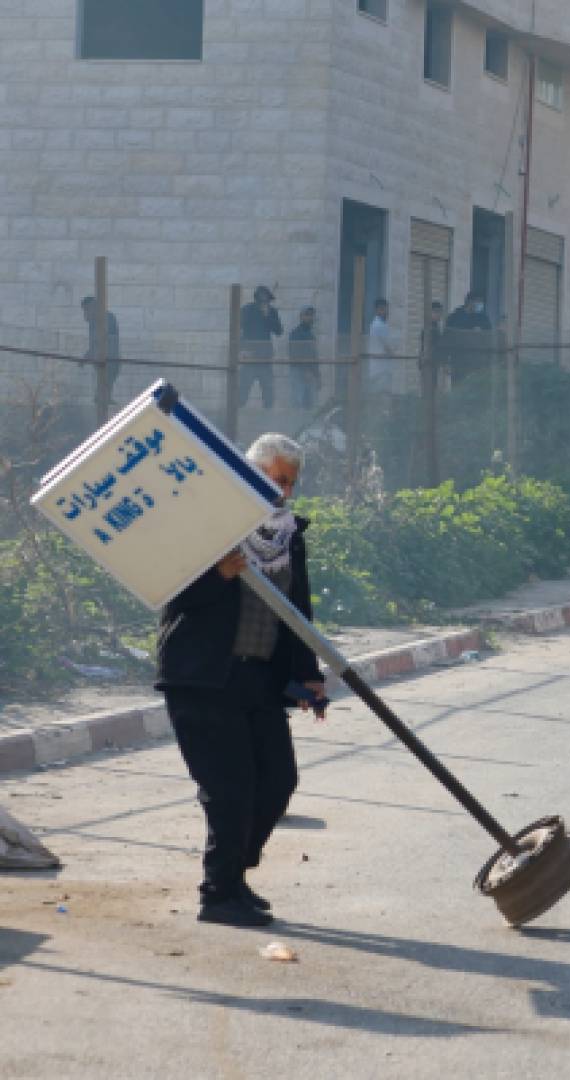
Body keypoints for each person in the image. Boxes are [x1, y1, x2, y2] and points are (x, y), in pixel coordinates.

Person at [155, 434, 326, 928]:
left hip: (259, 678)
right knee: (230, 790)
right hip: (203, 679)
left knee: (277, 780)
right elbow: (168, 591)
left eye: (289, 482)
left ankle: (234, 876)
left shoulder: (287, 536)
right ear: (248, 476)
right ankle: (218, 895)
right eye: (275, 480)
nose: (283, 491)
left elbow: (297, 610)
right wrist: (218, 576)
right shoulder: (210, 527)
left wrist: (308, 674)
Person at [239, 286, 282, 409]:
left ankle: (268, 415)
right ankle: (237, 413)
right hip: (249, 357)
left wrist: (267, 316)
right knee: (243, 389)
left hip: (265, 358)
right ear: (256, 298)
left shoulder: (272, 311)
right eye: (262, 298)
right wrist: (241, 350)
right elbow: (237, 330)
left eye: (267, 299)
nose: (264, 301)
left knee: (268, 390)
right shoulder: (247, 310)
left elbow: (279, 331)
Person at [443, 291, 493, 388]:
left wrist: (481, 333)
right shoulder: (455, 317)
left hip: (478, 361)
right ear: (470, 302)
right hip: (458, 360)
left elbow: (489, 336)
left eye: (482, 302)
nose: (480, 305)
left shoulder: (483, 318)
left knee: (476, 387)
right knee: (459, 386)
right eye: (478, 302)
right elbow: (447, 340)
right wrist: (445, 362)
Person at [80, 296, 121, 398]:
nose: (85, 313)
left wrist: (87, 357)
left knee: (105, 384)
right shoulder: (94, 322)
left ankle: (103, 397)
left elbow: (104, 341)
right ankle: (103, 397)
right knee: (103, 386)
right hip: (103, 361)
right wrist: (86, 357)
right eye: (84, 310)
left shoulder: (106, 318)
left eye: (86, 309)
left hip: (109, 359)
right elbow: (95, 344)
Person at [286, 306, 321, 409]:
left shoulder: (311, 335)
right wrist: (306, 371)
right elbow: (294, 354)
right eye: (307, 315)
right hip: (299, 372)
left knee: (310, 404)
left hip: (311, 373)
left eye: (312, 315)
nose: (310, 317)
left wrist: (318, 376)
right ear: (301, 317)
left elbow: (314, 356)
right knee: (298, 402)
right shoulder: (295, 334)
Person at [366, 298, 399, 396]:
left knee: (381, 394)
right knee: (382, 395)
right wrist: (393, 352)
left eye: (387, 309)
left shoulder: (381, 325)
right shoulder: (378, 326)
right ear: (377, 310)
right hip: (381, 369)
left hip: (380, 368)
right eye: (383, 309)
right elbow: (387, 346)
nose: (386, 312)